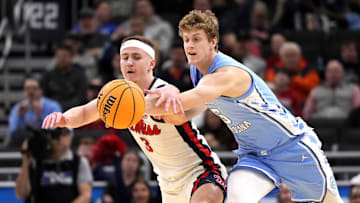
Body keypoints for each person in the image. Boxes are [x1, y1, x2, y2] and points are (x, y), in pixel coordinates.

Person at [144, 10, 343, 203]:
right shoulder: (197, 71)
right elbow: (191, 110)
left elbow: (188, 98)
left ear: (213, 41)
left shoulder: (227, 74)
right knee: (236, 199)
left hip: (290, 147)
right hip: (254, 155)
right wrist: (172, 115)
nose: (189, 45)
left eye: (196, 39)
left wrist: (138, 106)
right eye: (186, 40)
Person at [42, 35, 227, 203]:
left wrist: (172, 93)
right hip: (168, 183)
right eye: (125, 58)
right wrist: (64, 118)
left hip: (201, 171)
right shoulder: (118, 94)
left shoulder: (162, 92)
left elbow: (177, 108)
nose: (129, 63)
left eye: (136, 57)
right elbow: (84, 113)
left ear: (151, 63)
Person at [15, 127, 92, 203]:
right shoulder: (36, 161)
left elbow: (85, 196)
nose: (59, 138)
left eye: (64, 133)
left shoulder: (78, 162)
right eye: (54, 134)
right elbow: (21, 194)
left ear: (71, 137)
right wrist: (26, 160)